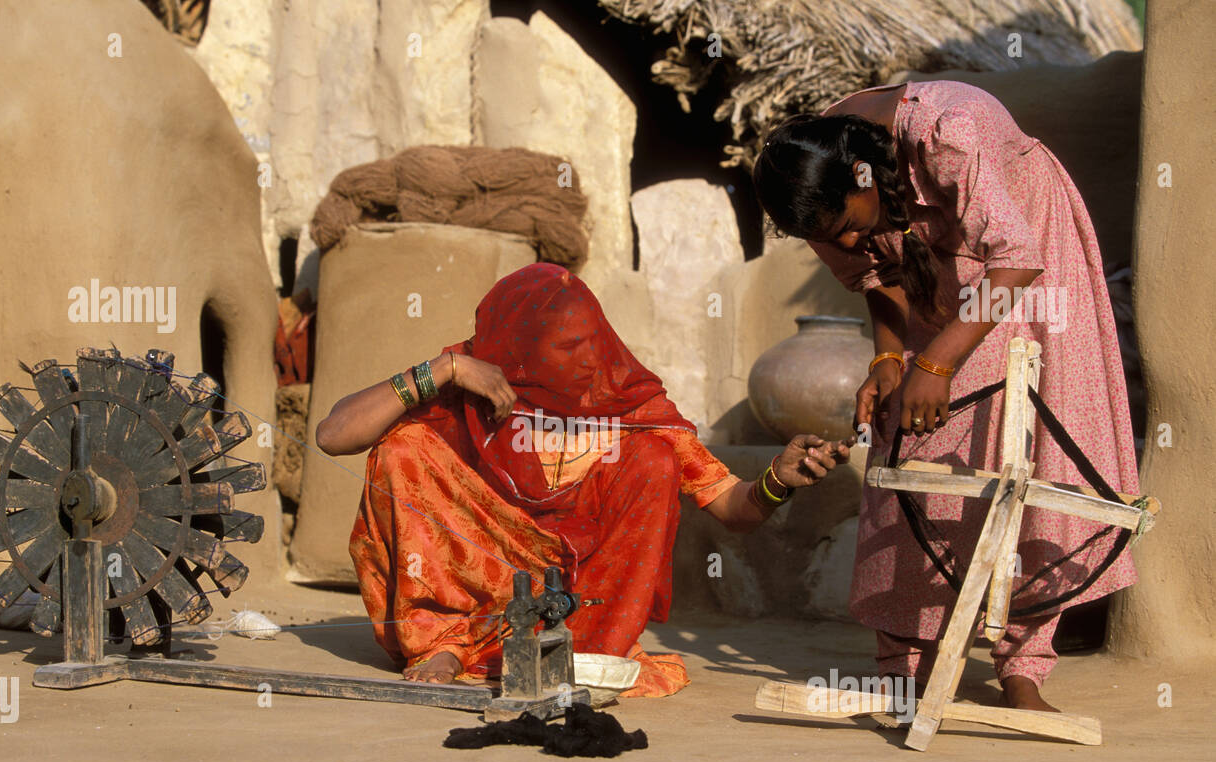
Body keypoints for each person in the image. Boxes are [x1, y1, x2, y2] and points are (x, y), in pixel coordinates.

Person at [752, 80, 1139, 712]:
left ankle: (1023, 666)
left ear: (865, 174)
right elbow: (878, 273)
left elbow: (1015, 261)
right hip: (940, 273)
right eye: (831, 239)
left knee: (1028, 442)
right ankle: (904, 662)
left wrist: (934, 359)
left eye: (848, 227)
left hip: (1027, 259)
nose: (846, 244)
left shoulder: (953, 132)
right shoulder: (813, 176)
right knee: (911, 439)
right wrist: (889, 359)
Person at [316, 262, 851, 696]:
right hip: (476, 586)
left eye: (592, 341)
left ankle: (588, 650)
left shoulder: (628, 405)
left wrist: (777, 481)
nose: (588, 360)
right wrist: (446, 369)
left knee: (651, 459)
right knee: (404, 448)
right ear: (519, 349)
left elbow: (735, 508)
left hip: (570, 604)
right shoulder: (473, 379)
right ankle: (445, 642)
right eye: (567, 348)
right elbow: (334, 435)